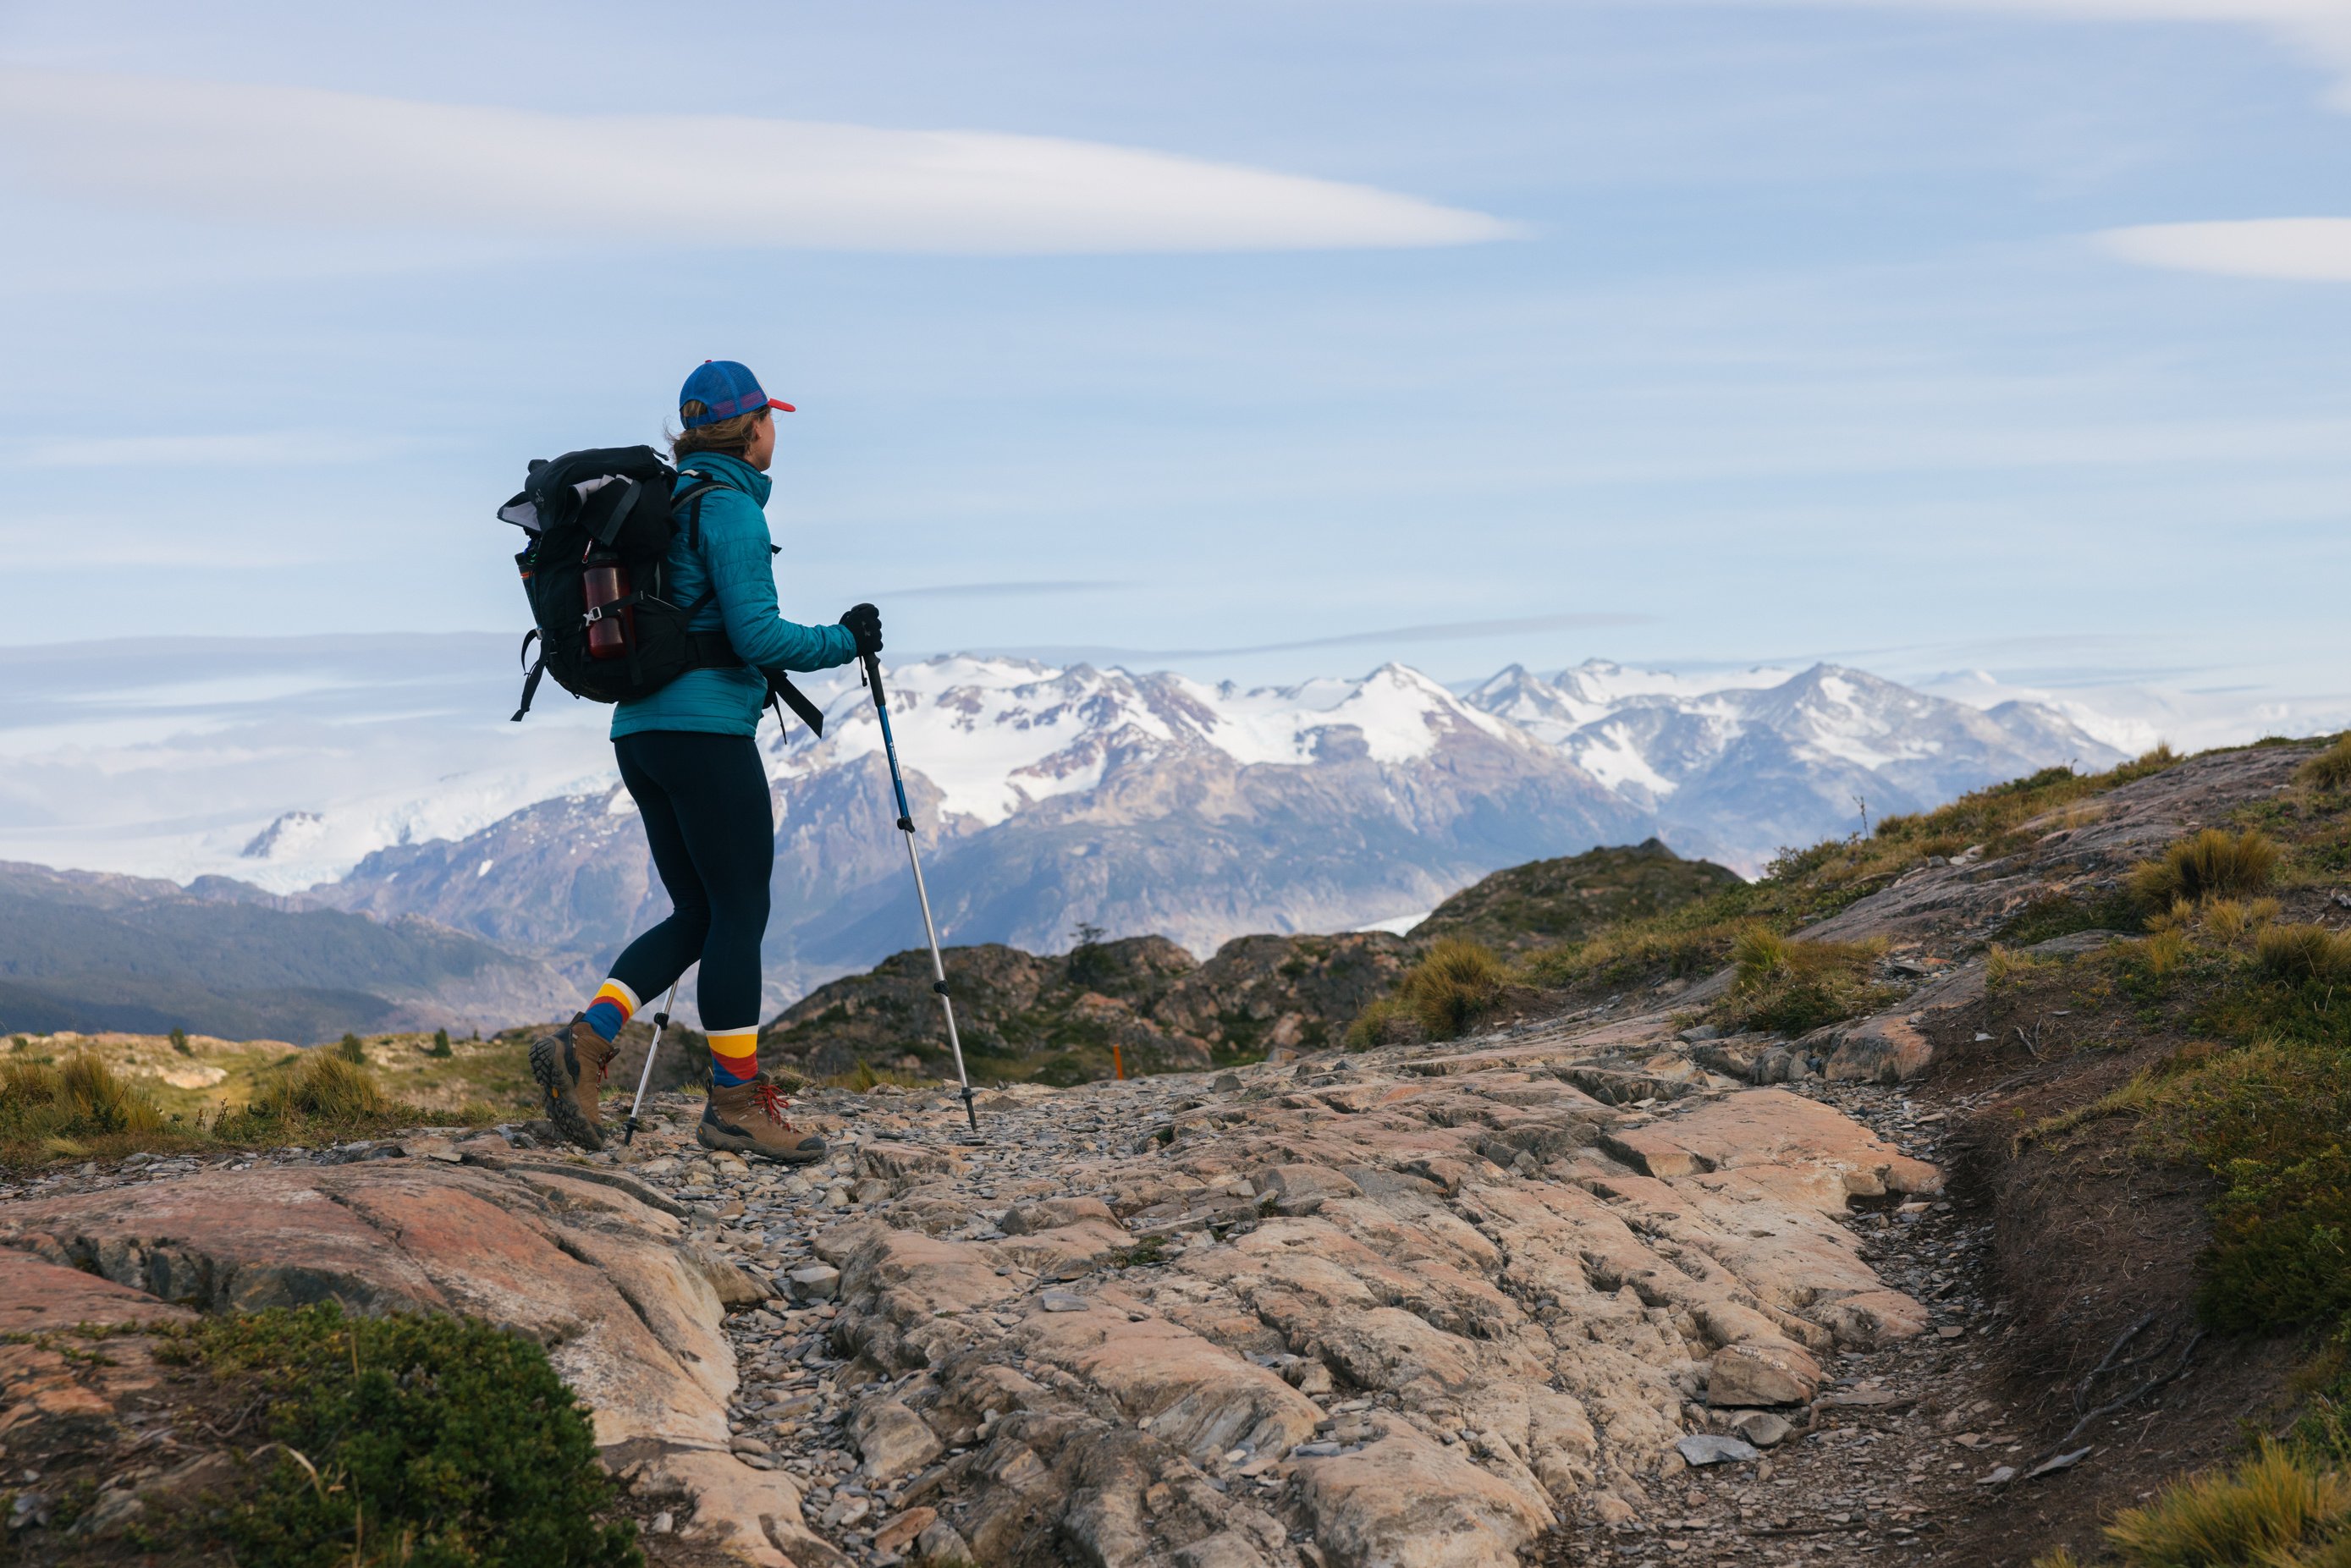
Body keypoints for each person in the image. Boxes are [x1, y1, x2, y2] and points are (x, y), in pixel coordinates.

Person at [530, 360, 883, 1162]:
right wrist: (845, 639)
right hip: (705, 735)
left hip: (639, 735)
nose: (774, 431)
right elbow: (758, 636)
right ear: (751, 427)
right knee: (739, 912)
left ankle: (586, 1043)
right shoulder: (729, 509)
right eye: (770, 419)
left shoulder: (668, 502)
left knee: (697, 912)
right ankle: (734, 1103)